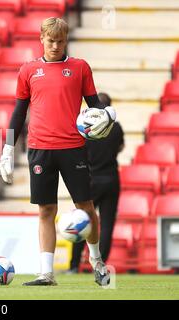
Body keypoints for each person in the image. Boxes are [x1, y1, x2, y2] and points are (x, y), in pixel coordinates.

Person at [0, 18, 116, 286]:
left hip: (73, 148)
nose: (55, 45)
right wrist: (7, 148)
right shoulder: (28, 70)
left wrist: (109, 113)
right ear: (41, 39)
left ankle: (97, 262)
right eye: (50, 40)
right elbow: (18, 113)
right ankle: (46, 273)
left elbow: (95, 104)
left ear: (66, 41)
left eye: (60, 41)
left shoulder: (79, 67)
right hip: (40, 149)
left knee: (85, 207)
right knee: (45, 210)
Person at [69, 92, 125, 273]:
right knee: (107, 224)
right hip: (111, 179)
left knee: (82, 221)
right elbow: (121, 147)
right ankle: (101, 265)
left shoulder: (86, 129)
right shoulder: (116, 128)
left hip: (91, 179)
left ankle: (74, 265)